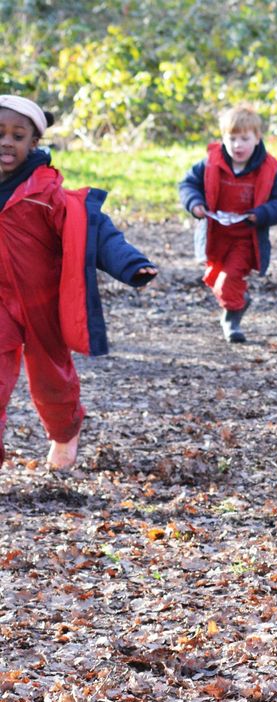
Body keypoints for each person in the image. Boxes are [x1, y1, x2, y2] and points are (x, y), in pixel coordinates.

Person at [0, 95, 158, 470]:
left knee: (52, 379)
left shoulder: (47, 193)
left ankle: (65, 432)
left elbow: (92, 232)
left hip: (43, 303)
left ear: (33, 144)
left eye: (18, 136)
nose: (7, 141)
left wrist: (131, 265)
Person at [179, 104, 277, 343]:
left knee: (229, 279)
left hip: (245, 237)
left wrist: (261, 214)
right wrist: (195, 204)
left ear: (257, 138)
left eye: (244, 138)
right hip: (215, 235)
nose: (238, 145)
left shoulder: (268, 169)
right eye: (232, 139)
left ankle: (232, 319)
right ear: (223, 138)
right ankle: (239, 300)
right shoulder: (210, 163)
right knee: (213, 278)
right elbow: (188, 185)